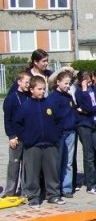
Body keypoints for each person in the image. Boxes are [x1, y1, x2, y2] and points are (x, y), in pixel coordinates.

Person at [14, 76, 65, 206]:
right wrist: (26, 138)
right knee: (32, 173)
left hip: (50, 144)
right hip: (32, 145)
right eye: (39, 89)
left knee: (52, 171)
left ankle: (53, 194)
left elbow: (59, 121)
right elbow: (18, 124)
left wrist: (55, 135)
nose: (42, 92)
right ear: (31, 90)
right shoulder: (25, 105)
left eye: (44, 89)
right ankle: (33, 197)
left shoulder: (50, 104)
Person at [48, 71, 78, 198]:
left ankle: (67, 188)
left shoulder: (69, 97)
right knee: (58, 162)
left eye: (69, 83)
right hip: (59, 134)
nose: (68, 86)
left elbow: (72, 112)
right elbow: (52, 117)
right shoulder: (52, 98)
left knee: (69, 162)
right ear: (58, 82)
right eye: (65, 83)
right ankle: (56, 188)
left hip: (71, 132)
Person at [3, 71, 30, 197]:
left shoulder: (29, 96)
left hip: (28, 136)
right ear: (19, 82)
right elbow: (7, 119)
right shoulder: (11, 98)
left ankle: (24, 190)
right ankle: (10, 191)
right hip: (16, 137)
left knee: (26, 165)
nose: (28, 85)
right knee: (14, 165)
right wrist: (11, 136)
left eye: (30, 82)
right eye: (26, 82)